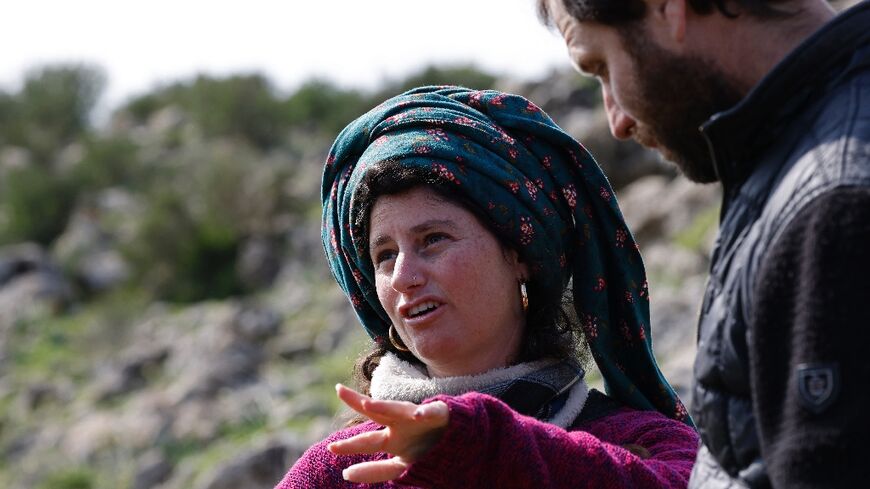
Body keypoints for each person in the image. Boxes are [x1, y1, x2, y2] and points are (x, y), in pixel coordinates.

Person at [274, 86, 698, 488]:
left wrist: (477, 442)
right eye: (384, 255)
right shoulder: (344, 469)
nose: (404, 276)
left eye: (433, 240)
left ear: (518, 254)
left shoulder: (635, 443)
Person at [537, 0, 870, 487]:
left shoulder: (833, 201)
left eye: (602, 66)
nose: (617, 121)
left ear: (669, 9)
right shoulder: (800, 158)